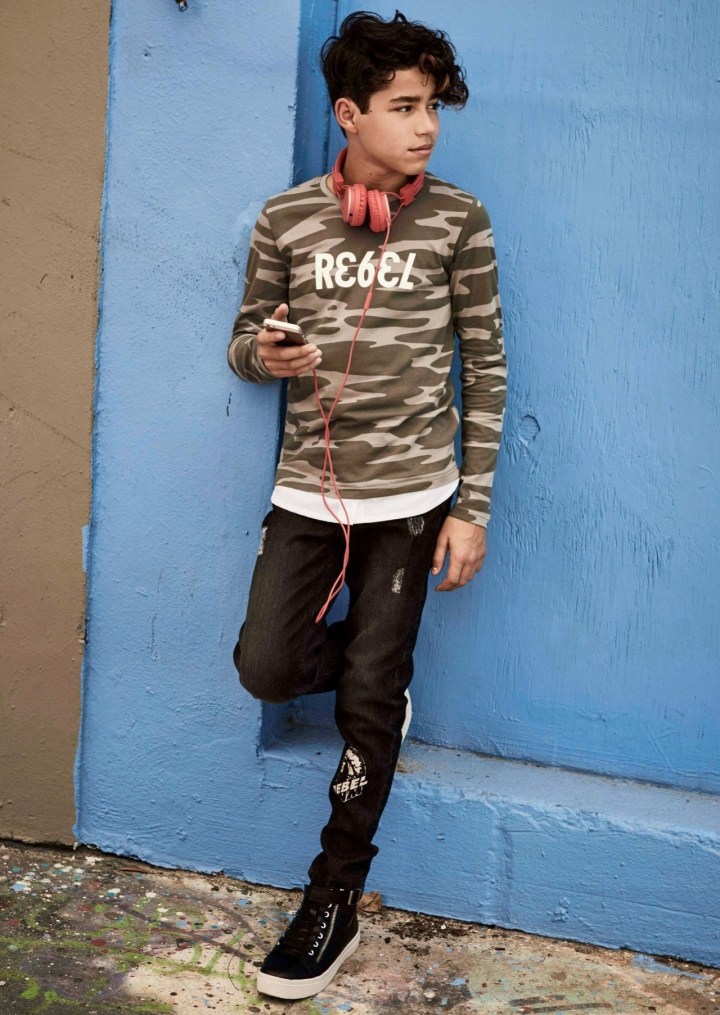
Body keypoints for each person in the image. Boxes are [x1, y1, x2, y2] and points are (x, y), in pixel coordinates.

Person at [227, 9, 507, 1000]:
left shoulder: (460, 219)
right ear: (349, 115)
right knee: (267, 666)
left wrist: (472, 505)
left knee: (369, 702)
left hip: (416, 498)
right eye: (404, 106)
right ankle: (369, 680)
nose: (426, 126)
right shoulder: (285, 219)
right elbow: (242, 344)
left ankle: (333, 896)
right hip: (310, 489)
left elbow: (487, 364)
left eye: (434, 107)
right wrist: (266, 354)